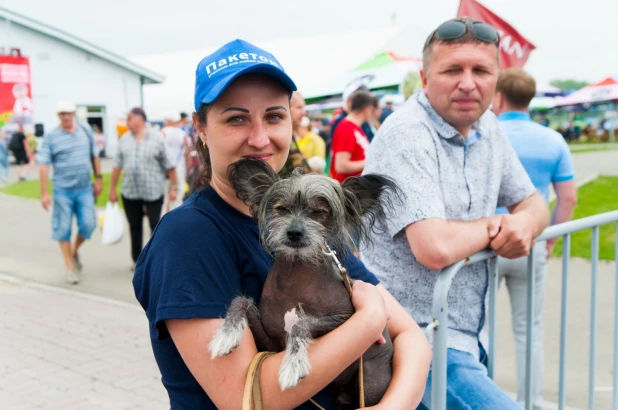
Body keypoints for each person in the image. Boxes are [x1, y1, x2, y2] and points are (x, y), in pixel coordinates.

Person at [132, 39, 431, 410]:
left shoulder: (312, 226)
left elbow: (412, 339)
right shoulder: (189, 236)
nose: (260, 138)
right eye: (236, 118)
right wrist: (369, 320)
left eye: (274, 116)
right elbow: (245, 398)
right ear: (201, 128)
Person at [361, 18, 550, 409]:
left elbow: (534, 203)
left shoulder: (488, 127)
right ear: (424, 78)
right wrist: (494, 225)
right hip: (411, 340)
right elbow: (434, 247)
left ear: (497, 78)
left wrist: (522, 224)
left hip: (463, 336)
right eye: (452, 70)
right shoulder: (407, 133)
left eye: (481, 70)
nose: (468, 83)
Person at [492, 68, 577, 410]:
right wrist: (551, 237)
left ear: (498, 97)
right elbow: (568, 197)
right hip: (532, 240)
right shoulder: (553, 139)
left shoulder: (489, 134)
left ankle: (483, 398)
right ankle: (531, 401)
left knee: (479, 329)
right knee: (530, 329)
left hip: (485, 242)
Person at [37, 101, 102, 285]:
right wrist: (44, 192)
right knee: (63, 228)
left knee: (88, 224)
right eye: (62, 114)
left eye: (69, 113)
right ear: (58, 116)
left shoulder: (85, 130)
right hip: (62, 191)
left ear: (74, 114)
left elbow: (94, 155)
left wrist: (98, 179)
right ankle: (69, 267)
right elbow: (44, 165)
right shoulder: (51, 136)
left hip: (84, 189)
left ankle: (73, 251)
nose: (66, 117)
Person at [109, 107, 178, 270]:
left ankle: (156, 259)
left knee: (155, 226)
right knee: (135, 227)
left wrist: (174, 188)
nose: (127, 122)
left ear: (140, 119)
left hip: (153, 192)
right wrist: (112, 190)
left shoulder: (157, 138)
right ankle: (137, 260)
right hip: (130, 192)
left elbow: (170, 165)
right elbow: (116, 166)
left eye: (129, 119)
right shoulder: (124, 139)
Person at [329, 90, 374, 183]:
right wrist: (372, 162)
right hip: (349, 190)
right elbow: (341, 166)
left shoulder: (353, 127)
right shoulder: (346, 128)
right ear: (367, 109)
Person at [161, 112, 190, 212]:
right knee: (178, 197)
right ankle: (176, 221)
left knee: (165, 196)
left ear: (168, 120)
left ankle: (163, 220)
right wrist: (188, 170)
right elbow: (188, 153)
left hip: (164, 169)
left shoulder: (163, 132)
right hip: (179, 168)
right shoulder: (183, 134)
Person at [280, 91, 311, 176]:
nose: (304, 113)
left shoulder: (290, 136)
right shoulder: (282, 138)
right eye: (299, 107)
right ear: (286, 108)